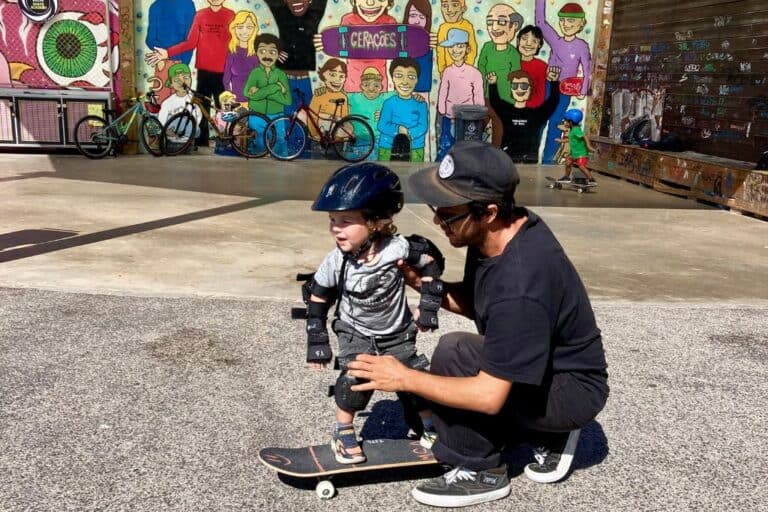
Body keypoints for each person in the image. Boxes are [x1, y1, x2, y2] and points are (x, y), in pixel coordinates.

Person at [347, 141, 609, 507]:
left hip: (569, 391)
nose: (437, 221)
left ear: (488, 212)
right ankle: (534, 428)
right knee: (456, 350)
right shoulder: (499, 232)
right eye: (436, 209)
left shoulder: (521, 282)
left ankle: (484, 472)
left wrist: (403, 378)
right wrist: (421, 284)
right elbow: (484, 304)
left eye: (447, 214)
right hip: (547, 367)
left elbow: (487, 397)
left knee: (455, 364)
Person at [305, 163, 446, 464]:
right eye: (332, 220)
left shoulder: (398, 248)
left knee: (415, 378)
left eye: (345, 221)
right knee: (354, 379)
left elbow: (431, 263)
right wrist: (317, 340)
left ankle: (429, 427)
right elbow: (317, 297)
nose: (335, 229)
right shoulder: (336, 261)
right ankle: (343, 432)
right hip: (355, 333)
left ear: (375, 222)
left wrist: (429, 305)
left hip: (397, 333)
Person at [487, 67, 561, 163]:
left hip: (529, 160)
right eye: (515, 86)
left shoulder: (536, 114)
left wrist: (554, 82)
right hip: (508, 159)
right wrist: (492, 84)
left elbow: (553, 102)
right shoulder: (506, 111)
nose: (519, 89)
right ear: (511, 90)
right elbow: (495, 101)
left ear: (530, 89)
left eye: (524, 86)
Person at [558, 109, 596, 183]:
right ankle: (566, 177)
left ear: (571, 122)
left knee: (581, 167)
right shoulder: (573, 130)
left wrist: (588, 146)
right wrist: (562, 141)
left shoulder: (576, 130)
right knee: (568, 162)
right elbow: (571, 139)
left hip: (581, 154)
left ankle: (591, 179)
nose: (565, 123)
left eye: (566, 121)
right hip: (574, 153)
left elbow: (585, 136)